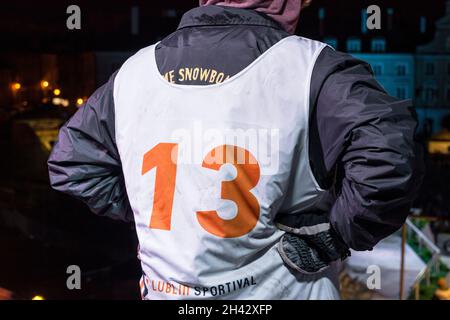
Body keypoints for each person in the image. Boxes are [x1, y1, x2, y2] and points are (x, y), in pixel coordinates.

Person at [48, 0, 423, 299]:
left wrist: (166, 212)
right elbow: (389, 153)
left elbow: (72, 164)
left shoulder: (133, 72)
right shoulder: (313, 67)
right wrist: (337, 235)